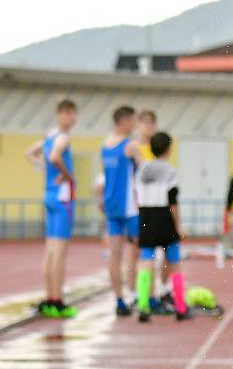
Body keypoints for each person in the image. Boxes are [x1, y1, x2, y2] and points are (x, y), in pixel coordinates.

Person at [25, 99, 78, 318]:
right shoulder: (62, 137)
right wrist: (67, 176)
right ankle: (57, 300)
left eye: (73, 113)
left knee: (50, 250)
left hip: (49, 195)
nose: (71, 118)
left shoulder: (49, 136)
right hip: (62, 198)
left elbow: (28, 153)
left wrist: (46, 170)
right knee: (59, 251)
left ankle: (49, 298)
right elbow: (55, 156)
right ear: (59, 115)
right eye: (67, 113)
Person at [134, 132, 192, 323]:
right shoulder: (170, 171)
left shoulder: (141, 169)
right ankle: (180, 307)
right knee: (174, 263)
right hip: (164, 217)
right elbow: (173, 203)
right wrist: (179, 227)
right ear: (168, 149)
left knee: (146, 262)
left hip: (145, 216)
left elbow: (136, 195)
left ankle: (143, 305)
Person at [100, 106, 143, 316]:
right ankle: (136, 293)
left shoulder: (105, 144)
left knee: (114, 255)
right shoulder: (131, 145)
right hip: (130, 207)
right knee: (138, 252)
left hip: (111, 205)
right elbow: (143, 174)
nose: (135, 125)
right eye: (133, 121)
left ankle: (119, 300)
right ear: (124, 121)